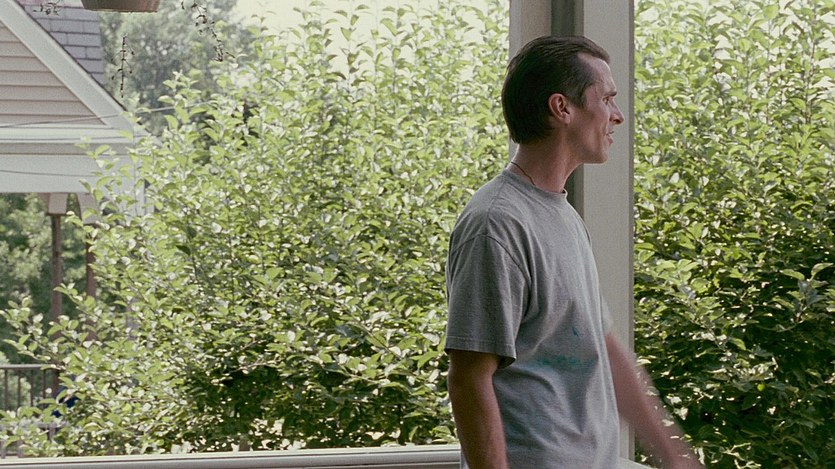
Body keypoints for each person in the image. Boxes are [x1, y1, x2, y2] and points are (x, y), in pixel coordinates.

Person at [445, 36, 703, 469]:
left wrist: (673, 456)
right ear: (562, 108)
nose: (617, 115)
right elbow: (469, 378)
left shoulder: (562, 215)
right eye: (607, 99)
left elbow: (602, 347)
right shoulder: (496, 224)